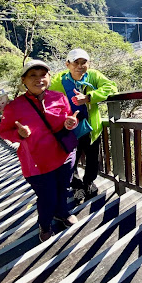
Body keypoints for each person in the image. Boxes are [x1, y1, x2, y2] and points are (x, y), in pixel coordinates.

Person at [0, 59, 80, 242]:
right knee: (46, 198)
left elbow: (67, 120)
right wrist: (19, 134)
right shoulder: (14, 107)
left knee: (63, 189)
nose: (39, 79)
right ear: (24, 80)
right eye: (32, 75)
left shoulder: (59, 97)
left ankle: (63, 213)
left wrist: (70, 123)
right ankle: (44, 224)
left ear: (49, 77)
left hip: (64, 156)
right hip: (37, 164)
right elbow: (3, 132)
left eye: (43, 75)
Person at [49, 48, 118, 201]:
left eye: (83, 62)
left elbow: (111, 87)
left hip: (91, 128)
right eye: (76, 62)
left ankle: (88, 182)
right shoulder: (58, 80)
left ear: (88, 63)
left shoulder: (93, 75)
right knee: (70, 160)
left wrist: (89, 97)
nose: (80, 66)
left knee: (93, 159)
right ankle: (76, 186)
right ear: (67, 64)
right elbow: (44, 95)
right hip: (68, 129)